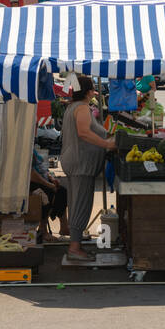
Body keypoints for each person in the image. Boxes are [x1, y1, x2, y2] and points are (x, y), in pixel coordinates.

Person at [60, 75, 117, 261]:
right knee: (81, 204)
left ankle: (75, 245)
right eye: (92, 89)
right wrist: (106, 144)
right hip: (80, 163)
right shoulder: (82, 108)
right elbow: (83, 132)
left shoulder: (72, 107)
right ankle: (75, 249)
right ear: (86, 91)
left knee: (76, 201)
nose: (94, 92)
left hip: (74, 161)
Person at [30, 149, 69, 242]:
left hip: (43, 181)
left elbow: (42, 169)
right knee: (48, 194)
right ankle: (43, 231)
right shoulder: (25, 147)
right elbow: (32, 174)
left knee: (62, 191)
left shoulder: (32, 147)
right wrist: (49, 185)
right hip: (32, 184)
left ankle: (64, 227)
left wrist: (51, 178)